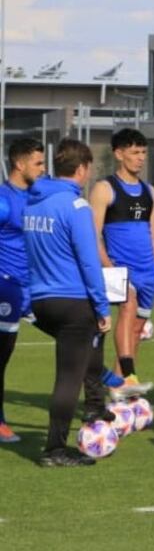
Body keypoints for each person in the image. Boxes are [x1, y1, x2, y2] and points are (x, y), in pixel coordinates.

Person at [21, 140, 115, 466]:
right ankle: (55, 450)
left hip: (41, 301)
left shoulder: (33, 204)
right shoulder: (76, 207)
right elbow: (89, 262)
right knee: (68, 377)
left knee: (87, 352)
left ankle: (97, 405)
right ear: (82, 169)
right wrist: (102, 308)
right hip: (73, 302)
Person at [90, 128, 154, 393]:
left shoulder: (149, 191)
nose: (141, 157)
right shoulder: (104, 189)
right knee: (127, 305)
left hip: (148, 273)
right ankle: (130, 376)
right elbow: (93, 235)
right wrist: (110, 269)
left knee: (136, 331)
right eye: (135, 152)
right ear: (119, 154)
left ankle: (118, 390)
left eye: (143, 152)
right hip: (120, 269)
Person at [0, 138, 46, 443]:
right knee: (2, 356)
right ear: (20, 164)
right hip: (7, 289)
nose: (43, 169)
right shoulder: (3, 201)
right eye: (38, 163)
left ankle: (112, 388)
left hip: (36, 289)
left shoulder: (36, 197)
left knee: (75, 335)